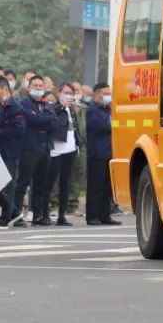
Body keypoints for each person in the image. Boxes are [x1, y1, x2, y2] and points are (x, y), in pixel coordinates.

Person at [14, 75, 56, 226]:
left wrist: (42, 120)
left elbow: (54, 123)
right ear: (28, 88)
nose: (38, 88)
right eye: (35, 86)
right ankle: (16, 215)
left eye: (40, 86)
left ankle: (38, 215)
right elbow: (33, 120)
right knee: (23, 183)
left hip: (45, 148)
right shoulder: (23, 104)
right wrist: (44, 120)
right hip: (29, 148)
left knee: (41, 184)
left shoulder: (47, 105)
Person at [0, 77, 26, 227]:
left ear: (4, 89)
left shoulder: (15, 107)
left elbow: (19, 129)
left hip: (11, 151)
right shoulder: (1, 106)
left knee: (7, 186)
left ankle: (6, 218)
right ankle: (14, 212)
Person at [45, 83, 80, 226]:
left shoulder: (71, 109)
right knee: (49, 183)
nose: (68, 96)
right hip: (57, 149)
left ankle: (62, 216)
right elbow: (51, 118)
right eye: (65, 92)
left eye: (70, 93)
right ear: (59, 93)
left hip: (70, 149)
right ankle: (44, 214)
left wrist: (77, 144)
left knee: (65, 183)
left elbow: (75, 128)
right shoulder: (53, 107)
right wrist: (60, 106)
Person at [85, 83, 119, 225]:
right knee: (95, 187)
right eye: (105, 94)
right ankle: (92, 216)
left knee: (107, 187)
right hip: (97, 153)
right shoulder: (92, 110)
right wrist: (116, 125)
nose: (108, 96)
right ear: (97, 94)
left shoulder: (108, 110)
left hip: (109, 152)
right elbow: (100, 126)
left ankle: (105, 215)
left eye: (109, 94)